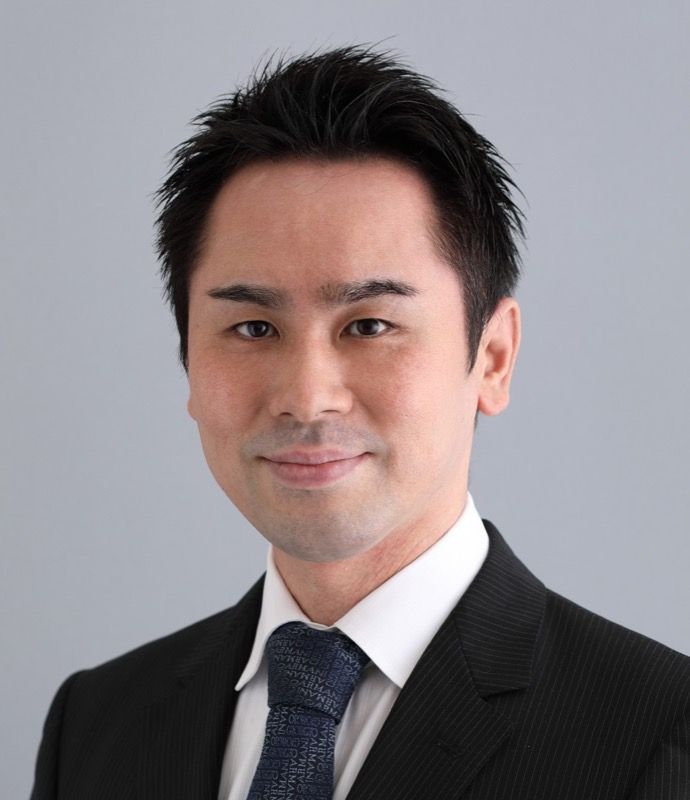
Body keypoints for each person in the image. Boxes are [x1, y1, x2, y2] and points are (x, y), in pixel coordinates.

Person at [31, 45, 689, 800]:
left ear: (494, 357)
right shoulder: (98, 724)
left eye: (370, 325)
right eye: (253, 328)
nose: (307, 398)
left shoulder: (660, 740)